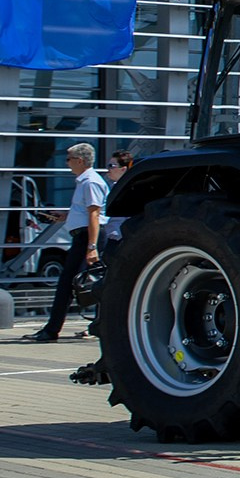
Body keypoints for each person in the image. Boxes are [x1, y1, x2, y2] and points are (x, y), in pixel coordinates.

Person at [22, 143, 106, 341]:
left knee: (78, 283)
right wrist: (66, 216)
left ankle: (54, 330)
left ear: (80, 160)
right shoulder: (84, 181)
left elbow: (95, 215)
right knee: (71, 283)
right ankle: (53, 329)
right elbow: (85, 212)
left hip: (88, 237)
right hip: (83, 236)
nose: (66, 163)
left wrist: (92, 247)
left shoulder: (90, 182)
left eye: (68, 159)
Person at [71, 150, 134, 385]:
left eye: (112, 166)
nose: (108, 170)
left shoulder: (126, 187)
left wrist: (92, 246)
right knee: (101, 291)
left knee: (104, 292)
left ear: (124, 168)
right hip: (115, 242)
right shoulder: (117, 187)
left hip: (119, 242)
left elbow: (96, 214)